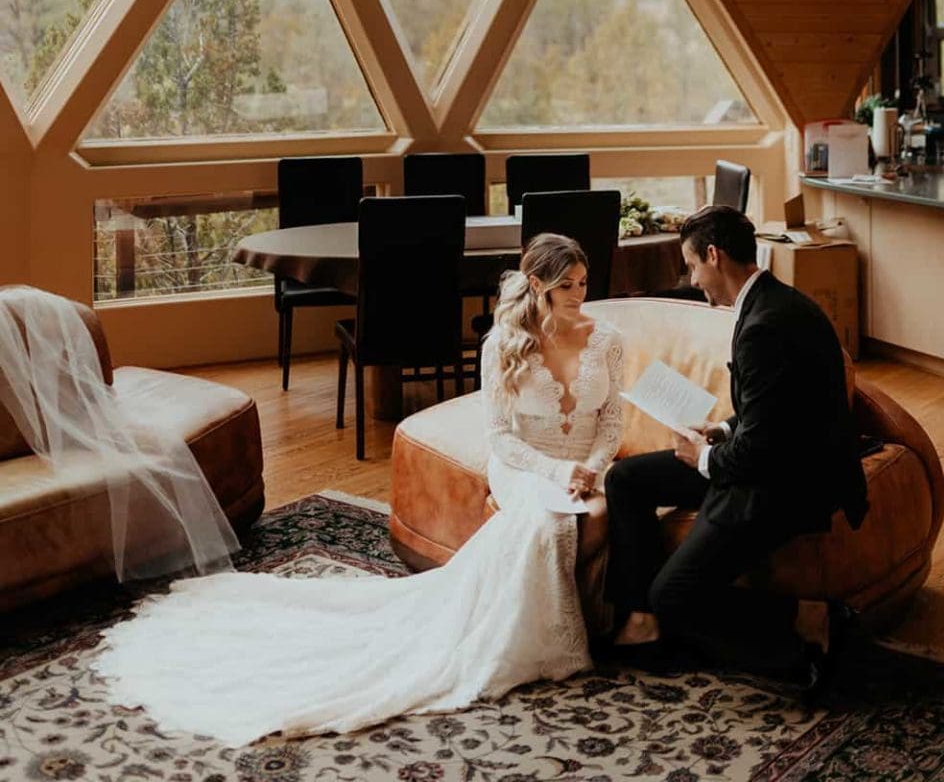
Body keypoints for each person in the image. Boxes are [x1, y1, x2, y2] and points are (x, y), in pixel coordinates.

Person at [91, 233, 625, 746]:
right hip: (525, 464)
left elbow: (611, 422)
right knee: (550, 517)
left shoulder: (607, 340)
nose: (580, 294)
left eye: (583, 282)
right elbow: (501, 439)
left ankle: (578, 617)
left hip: (586, 463)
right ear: (536, 284)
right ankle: (560, 628)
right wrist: (555, 472)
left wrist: (589, 466)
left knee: (597, 512)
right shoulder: (503, 345)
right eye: (567, 285)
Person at [605, 204, 867, 687]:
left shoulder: (765, 325)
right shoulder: (773, 302)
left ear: (713, 255)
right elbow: (770, 413)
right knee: (626, 479)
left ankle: (805, 624)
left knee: (674, 595)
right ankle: (641, 624)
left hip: (785, 485)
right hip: (765, 458)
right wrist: (720, 431)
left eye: (691, 265)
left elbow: (761, 453)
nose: (692, 279)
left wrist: (703, 457)